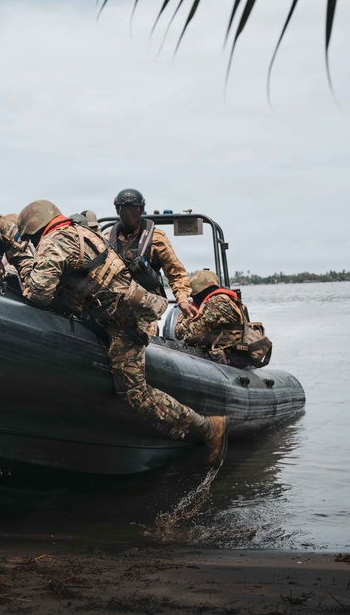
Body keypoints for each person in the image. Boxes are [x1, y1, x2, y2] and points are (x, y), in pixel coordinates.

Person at [18, 200, 228, 464]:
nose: (34, 244)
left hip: (121, 322)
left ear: (36, 229)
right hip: (122, 313)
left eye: (31, 239)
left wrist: (25, 274)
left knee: (134, 393)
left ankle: (209, 428)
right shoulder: (81, 232)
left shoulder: (54, 241)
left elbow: (39, 293)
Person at [106, 189, 198, 327]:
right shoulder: (107, 238)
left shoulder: (156, 238)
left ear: (141, 209)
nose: (129, 215)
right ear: (118, 210)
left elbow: (176, 273)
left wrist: (182, 300)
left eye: (133, 210)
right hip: (115, 310)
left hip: (145, 310)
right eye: (125, 210)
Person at [176, 270, 273, 368]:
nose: (194, 300)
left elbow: (191, 336)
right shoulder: (226, 299)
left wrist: (189, 316)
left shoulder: (217, 302)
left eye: (195, 296)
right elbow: (179, 333)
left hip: (227, 358)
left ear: (200, 293)